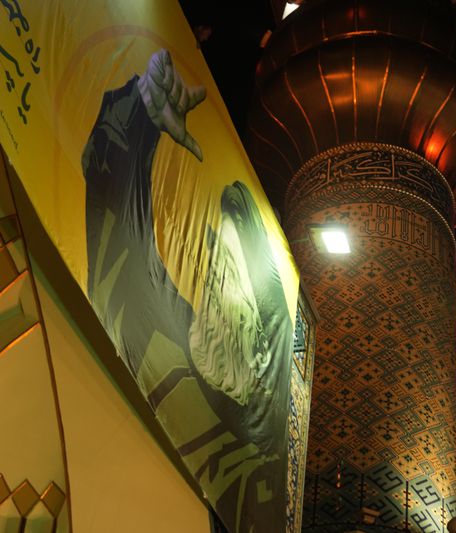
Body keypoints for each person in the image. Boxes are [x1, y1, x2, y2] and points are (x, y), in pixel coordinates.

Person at [82, 49, 292, 532]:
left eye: (233, 280)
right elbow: (120, 246)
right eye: (218, 264)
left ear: (261, 342)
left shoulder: (263, 445)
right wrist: (139, 112)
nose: (217, 286)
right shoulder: (169, 349)